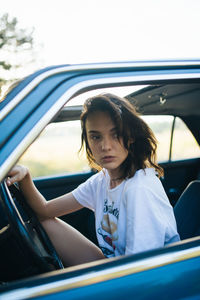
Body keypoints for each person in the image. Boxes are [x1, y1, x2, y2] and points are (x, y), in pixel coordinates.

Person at [7, 93, 180, 266]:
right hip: (117, 266)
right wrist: (25, 176)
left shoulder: (140, 189)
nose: (105, 146)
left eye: (116, 134)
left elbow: (140, 268)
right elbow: (45, 211)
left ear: (131, 136)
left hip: (145, 277)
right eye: (96, 137)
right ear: (87, 140)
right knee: (44, 224)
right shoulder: (100, 181)